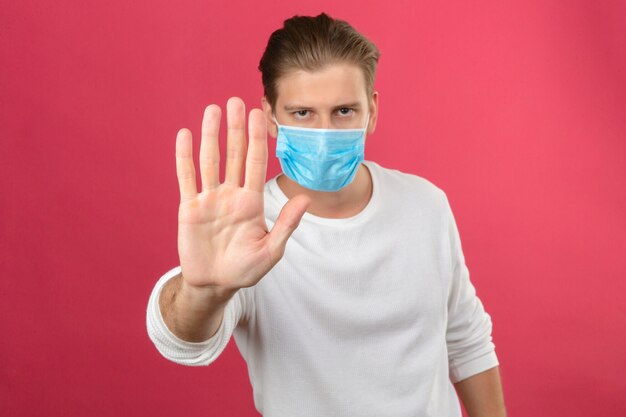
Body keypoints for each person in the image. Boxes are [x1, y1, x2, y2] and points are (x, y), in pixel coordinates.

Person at [147, 12, 506, 417]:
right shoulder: (247, 233)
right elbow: (181, 342)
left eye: (343, 111)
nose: (325, 134)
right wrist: (203, 290)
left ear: (371, 111)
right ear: (270, 117)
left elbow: (466, 338)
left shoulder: (427, 205)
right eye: (302, 113)